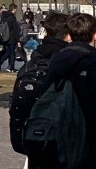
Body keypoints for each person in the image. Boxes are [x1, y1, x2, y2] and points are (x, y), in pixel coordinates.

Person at [43, 12, 96, 168]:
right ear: (95, 35)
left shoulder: (55, 63)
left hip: (58, 144)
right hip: (93, 149)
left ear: (70, 35)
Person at [8, 11, 70, 157]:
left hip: (31, 139)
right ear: (68, 35)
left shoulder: (31, 64)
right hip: (61, 143)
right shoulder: (67, 64)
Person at [0, 6, 21, 72]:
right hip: (12, 38)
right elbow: (15, 29)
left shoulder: (4, 16)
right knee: (12, 53)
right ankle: (11, 67)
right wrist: (18, 40)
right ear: (14, 9)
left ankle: (0, 63)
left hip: (5, 37)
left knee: (7, 51)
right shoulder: (12, 17)